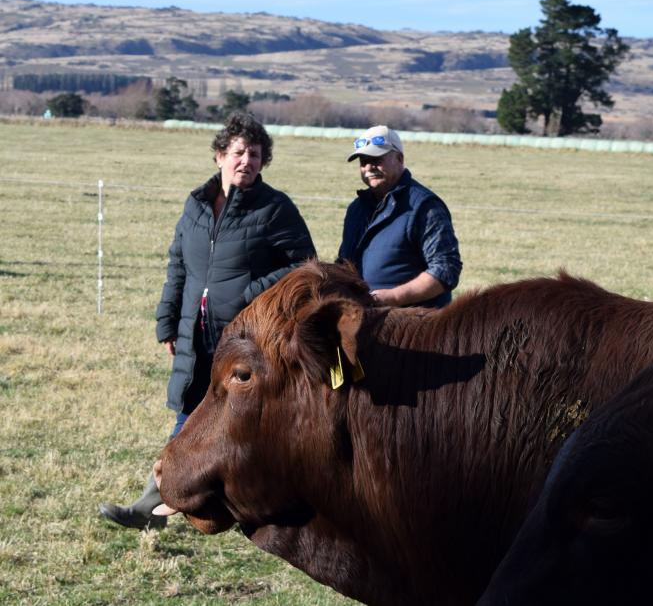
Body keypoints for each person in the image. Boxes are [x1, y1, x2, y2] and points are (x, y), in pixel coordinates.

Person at [99, 112, 316, 530]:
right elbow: (178, 265)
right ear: (220, 155)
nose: (246, 161)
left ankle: (172, 504)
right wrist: (166, 320)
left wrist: (250, 293)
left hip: (245, 340)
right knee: (190, 415)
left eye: (255, 155)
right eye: (238, 152)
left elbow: (303, 265)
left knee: (239, 423)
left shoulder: (274, 208)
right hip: (195, 334)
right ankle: (163, 500)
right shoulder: (196, 205)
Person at [337, 125, 462, 308]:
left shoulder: (424, 206)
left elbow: (446, 270)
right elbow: (344, 264)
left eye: (377, 159)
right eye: (363, 161)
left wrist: (393, 297)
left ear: (399, 158)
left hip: (417, 326)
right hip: (364, 320)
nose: (369, 167)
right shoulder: (356, 209)